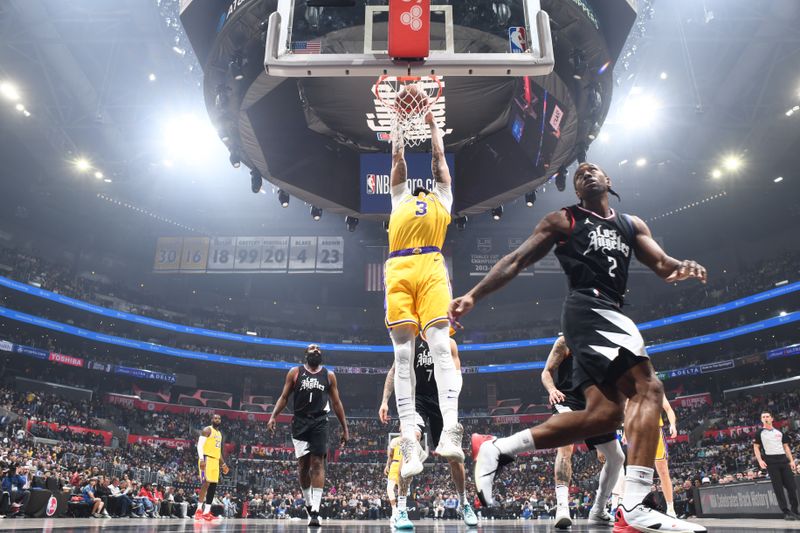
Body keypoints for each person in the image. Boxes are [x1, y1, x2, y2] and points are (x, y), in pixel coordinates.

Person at [450, 162, 708, 533]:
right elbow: (516, 260)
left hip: (605, 312)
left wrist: (681, 267)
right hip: (589, 307)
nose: (586, 173)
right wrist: (474, 295)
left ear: (608, 182)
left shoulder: (631, 225)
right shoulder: (564, 220)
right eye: (578, 174)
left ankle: (498, 448)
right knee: (648, 387)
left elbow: (663, 265)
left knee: (603, 418)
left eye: (593, 170)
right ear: (576, 190)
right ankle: (634, 503)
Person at [384, 107, 464, 480]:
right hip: (399, 268)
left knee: (441, 347)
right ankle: (410, 442)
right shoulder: (398, 197)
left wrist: (432, 125)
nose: (425, 180)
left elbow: (438, 160)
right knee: (403, 355)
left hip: (432, 266)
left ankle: (450, 429)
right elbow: (398, 158)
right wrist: (399, 123)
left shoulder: (442, 198)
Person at [379, 336, 478, 527]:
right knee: (408, 441)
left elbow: (457, 377)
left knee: (454, 455)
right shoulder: (411, 341)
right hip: (416, 399)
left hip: (442, 400)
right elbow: (394, 371)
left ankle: (463, 502)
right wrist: (384, 401)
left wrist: (451, 407)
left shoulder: (448, 343)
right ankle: (400, 509)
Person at [541, 336, 625, 528]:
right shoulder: (565, 341)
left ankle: (599, 509)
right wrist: (552, 389)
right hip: (566, 399)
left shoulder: (606, 343)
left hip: (593, 403)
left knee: (617, 457)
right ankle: (563, 507)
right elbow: (546, 372)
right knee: (566, 442)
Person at [268, 344, 349, 527]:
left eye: (318, 349)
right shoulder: (295, 373)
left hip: (320, 421)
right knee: (303, 466)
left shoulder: (329, 376)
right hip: (300, 421)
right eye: (312, 349)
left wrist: (345, 428)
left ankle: (315, 511)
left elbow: (336, 403)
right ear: (306, 354)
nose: (316, 350)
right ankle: (308, 503)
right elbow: (283, 397)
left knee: (318, 463)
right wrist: (273, 416)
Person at [753, 411, 799, 520]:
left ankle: (795, 510)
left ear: (772, 418)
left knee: (791, 487)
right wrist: (760, 460)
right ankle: (785, 512)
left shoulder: (779, 432)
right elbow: (756, 447)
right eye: (763, 417)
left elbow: (786, 447)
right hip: (771, 461)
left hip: (783, 460)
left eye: (767, 416)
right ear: (761, 419)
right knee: (778, 488)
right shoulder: (759, 433)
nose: (765, 418)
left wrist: (791, 461)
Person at [195, 413, 229, 522]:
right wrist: (201, 459)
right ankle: (199, 510)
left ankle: (206, 512)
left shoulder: (219, 434)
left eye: (219, 418)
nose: (217, 419)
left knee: (213, 486)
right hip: (206, 458)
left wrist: (223, 464)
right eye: (215, 418)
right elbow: (199, 445)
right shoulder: (207, 430)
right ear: (212, 419)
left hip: (215, 461)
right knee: (206, 483)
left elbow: (218, 452)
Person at [384, 434, 414, 529]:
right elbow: (390, 455)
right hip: (395, 464)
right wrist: (387, 465)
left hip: (403, 465)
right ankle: (395, 510)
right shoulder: (396, 440)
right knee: (390, 488)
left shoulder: (410, 440)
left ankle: (400, 511)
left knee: (401, 490)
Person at [655, 395, 678, 517]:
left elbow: (668, 409)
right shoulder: (629, 386)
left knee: (663, 471)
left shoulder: (655, 388)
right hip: (638, 432)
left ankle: (670, 508)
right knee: (638, 471)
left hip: (655, 431)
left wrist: (672, 425)